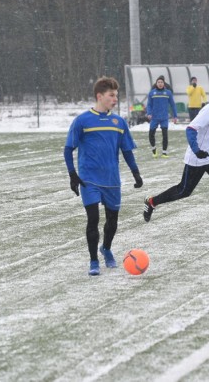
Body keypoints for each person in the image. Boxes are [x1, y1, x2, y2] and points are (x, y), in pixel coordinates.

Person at [64, 76, 144, 276]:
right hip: (89, 179)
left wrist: (136, 173)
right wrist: (73, 174)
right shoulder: (82, 120)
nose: (115, 99)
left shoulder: (119, 122)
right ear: (100, 96)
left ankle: (106, 248)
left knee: (112, 221)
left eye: (116, 95)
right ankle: (93, 261)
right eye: (112, 95)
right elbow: (68, 149)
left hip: (112, 180)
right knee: (93, 219)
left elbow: (126, 151)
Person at [143, 84, 209, 235]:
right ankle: (152, 202)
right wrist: (196, 150)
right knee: (183, 191)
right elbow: (191, 129)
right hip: (197, 158)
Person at [146, 76, 178, 158]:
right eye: (158, 82)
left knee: (165, 135)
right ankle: (154, 150)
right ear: (156, 84)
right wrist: (149, 113)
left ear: (164, 84)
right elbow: (149, 105)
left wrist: (175, 116)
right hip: (154, 118)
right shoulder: (152, 93)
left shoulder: (168, 93)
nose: (160, 84)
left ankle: (164, 152)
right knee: (151, 134)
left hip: (164, 118)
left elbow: (173, 105)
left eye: (161, 82)